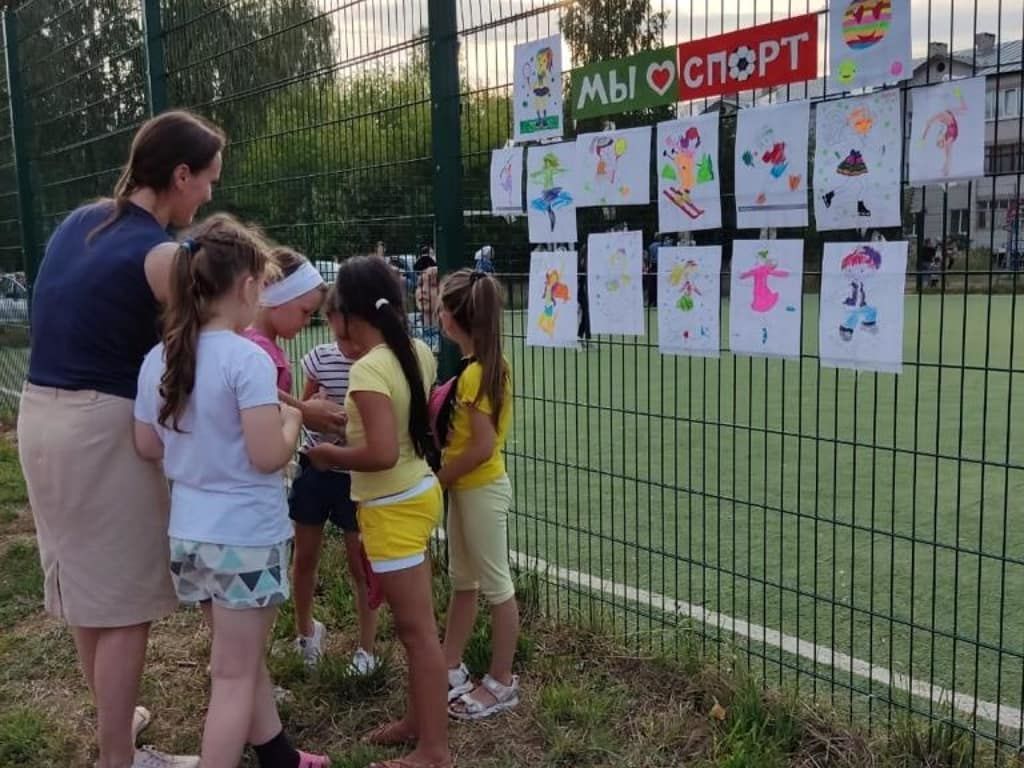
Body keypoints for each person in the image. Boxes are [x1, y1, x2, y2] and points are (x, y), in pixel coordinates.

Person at [18, 110, 225, 768]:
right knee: (128, 602)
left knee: (88, 591)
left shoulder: (81, 220)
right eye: (208, 181)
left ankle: (116, 726)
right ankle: (120, 759)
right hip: (98, 429)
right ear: (180, 175)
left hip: (38, 415)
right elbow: (202, 357)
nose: (210, 196)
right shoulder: (163, 256)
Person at [134, 215, 329, 768]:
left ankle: (280, 758)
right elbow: (269, 453)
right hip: (244, 538)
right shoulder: (248, 359)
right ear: (247, 287)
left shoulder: (160, 358)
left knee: (236, 661)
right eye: (264, 287)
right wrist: (294, 426)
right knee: (233, 675)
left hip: (190, 538)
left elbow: (147, 445)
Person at [306, 255, 449, 768]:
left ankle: (433, 750)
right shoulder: (416, 353)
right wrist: (353, 436)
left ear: (346, 313)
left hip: (391, 505)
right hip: (416, 494)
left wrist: (328, 455)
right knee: (419, 627)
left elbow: (380, 453)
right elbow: (392, 434)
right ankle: (419, 721)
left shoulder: (367, 369)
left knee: (417, 632)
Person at [433, 269, 519, 721]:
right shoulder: (483, 367)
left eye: (440, 306)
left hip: (480, 489)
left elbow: (482, 446)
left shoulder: (475, 376)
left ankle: (502, 682)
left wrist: (439, 478)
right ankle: (449, 663)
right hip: (468, 490)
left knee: (496, 586)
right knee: (462, 581)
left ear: (451, 318)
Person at [289, 286, 379, 672]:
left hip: (356, 479)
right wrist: (313, 416)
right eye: (338, 335)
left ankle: (367, 648)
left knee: (360, 564)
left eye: (353, 335)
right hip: (315, 470)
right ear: (327, 324)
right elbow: (302, 408)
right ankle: (306, 633)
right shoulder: (319, 360)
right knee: (304, 557)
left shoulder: (376, 364)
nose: (346, 345)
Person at [577, 246, 591, 345]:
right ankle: (585, 338)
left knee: (586, 316)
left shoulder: (587, 263)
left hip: (587, 293)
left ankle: (581, 336)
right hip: (582, 293)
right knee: (586, 315)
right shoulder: (582, 263)